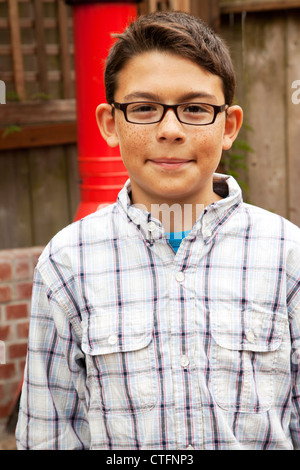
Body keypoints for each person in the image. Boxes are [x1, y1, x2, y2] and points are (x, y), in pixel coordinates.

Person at [16, 11, 300, 450]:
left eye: (194, 109)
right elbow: (49, 432)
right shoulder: (67, 261)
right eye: (145, 108)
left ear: (228, 126)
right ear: (111, 124)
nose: (170, 130)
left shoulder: (287, 254)